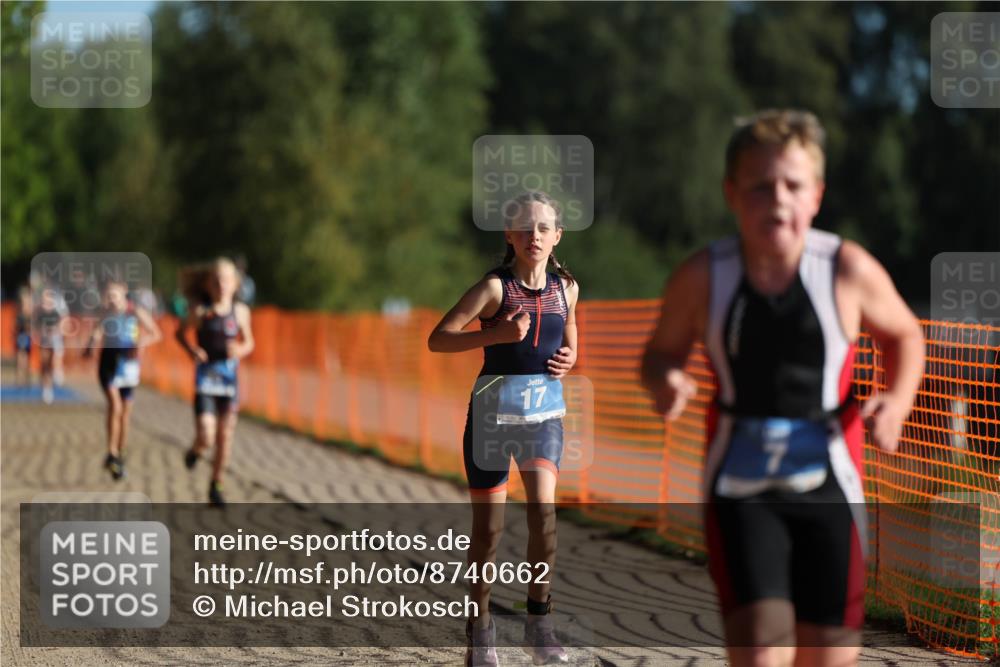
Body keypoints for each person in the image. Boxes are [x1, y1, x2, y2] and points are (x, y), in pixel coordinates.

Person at [641, 109, 925, 667]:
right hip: (740, 485)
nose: (778, 199)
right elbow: (660, 351)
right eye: (760, 186)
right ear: (731, 193)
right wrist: (666, 379)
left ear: (815, 195)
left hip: (830, 485)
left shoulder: (846, 269)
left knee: (827, 657)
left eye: (793, 185)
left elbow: (905, 335)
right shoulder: (703, 275)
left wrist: (897, 400)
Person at [429, 191, 579, 667]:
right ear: (509, 236)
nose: (534, 236)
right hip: (492, 417)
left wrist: (571, 359)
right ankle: (480, 630)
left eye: (543, 228)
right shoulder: (494, 289)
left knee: (543, 516)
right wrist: (494, 334)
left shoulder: (567, 288)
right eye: (525, 228)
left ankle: (539, 624)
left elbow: (571, 345)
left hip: (544, 418)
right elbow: (439, 339)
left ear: (557, 236)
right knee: (488, 533)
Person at [175, 258, 254, 507]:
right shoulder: (200, 311)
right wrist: (192, 350)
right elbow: (179, 333)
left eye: (226, 279)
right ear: (208, 284)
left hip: (229, 383)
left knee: (225, 436)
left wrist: (240, 349)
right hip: (206, 382)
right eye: (216, 280)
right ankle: (196, 450)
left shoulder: (240, 312)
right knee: (207, 435)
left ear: (235, 284)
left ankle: (216, 484)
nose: (221, 284)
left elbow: (250, 342)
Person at [85, 279, 162, 480]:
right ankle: (111, 452)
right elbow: (96, 331)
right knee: (115, 406)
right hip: (108, 364)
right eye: (108, 296)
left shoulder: (135, 312)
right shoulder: (104, 313)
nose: (111, 300)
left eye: (114, 295)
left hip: (128, 366)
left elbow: (156, 333)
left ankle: (120, 451)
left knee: (126, 414)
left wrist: (141, 342)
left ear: (124, 293)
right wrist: (92, 342)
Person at [36, 285, 69, 404]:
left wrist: (55, 332)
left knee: (56, 356)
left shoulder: (56, 312)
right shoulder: (39, 312)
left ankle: (58, 371)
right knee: (45, 364)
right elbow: (37, 326)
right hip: (44, 340)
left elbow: (61, 324)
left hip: (55, 339)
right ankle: (46, 389)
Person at [15, 286, 33, 386]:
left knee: (25, 359)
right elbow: (17, 327)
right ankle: (20, 379)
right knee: (20, 359)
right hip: (21, 337)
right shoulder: (20, 315)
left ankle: (25, 379)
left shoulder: (30, 315)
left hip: (27, 337)